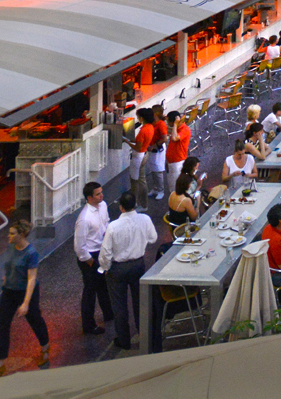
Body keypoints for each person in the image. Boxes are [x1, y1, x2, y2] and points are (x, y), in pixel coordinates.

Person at [0, 221, 50, 379]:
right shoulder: (11, 247)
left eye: (12, 233)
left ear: (22, 235)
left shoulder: (31, 253)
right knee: (1, 325)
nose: (8, 236)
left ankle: (45, 346)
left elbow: (32, 279)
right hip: (9, 291)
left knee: (34, 319)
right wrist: (7, 276)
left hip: (25, 292)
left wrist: (25, 303)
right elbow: (9, 264)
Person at [99, 192, 157, 350]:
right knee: (140, 301)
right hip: (138, 264)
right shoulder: (145, 219)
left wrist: (105, 267)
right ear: (135, 204)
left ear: (121, 207)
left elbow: (105, 253)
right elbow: (153, 238)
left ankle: (123, 340)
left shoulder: (113, 226)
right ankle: (144, 334)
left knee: (119, 306)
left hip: (117, 268)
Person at [73, 181, 114, 335]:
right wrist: (90, 260)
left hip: (101, 250)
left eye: (101, 192)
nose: (102, 195)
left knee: (103, 285)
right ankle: (88, 325)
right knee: (90, 291)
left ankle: (109, 314)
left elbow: (106, 222)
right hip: (90, 256)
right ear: (89, 198)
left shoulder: (103, 206)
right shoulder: (84, 218)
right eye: (98, 194)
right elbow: (79, 245)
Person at [163, 111, 192, 199]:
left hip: (178, 163)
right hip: (172, 162)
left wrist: (175, 124)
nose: (168, 124)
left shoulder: (184, 130)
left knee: (176, 189)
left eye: (169, 122)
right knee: (172, 186)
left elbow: (175, 138)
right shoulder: (176, 129)